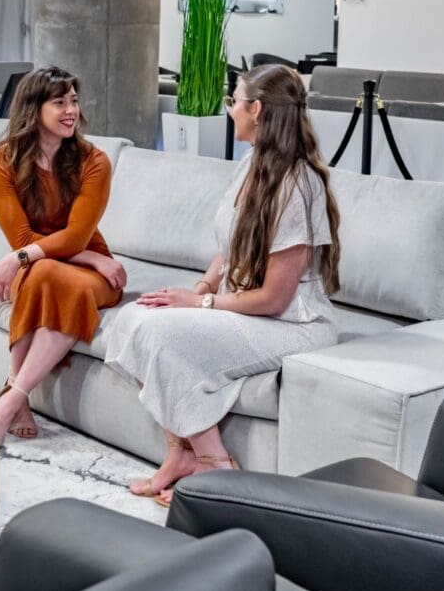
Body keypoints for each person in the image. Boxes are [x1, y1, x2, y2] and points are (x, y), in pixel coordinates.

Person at [104, 64, 341, 504]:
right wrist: (201, 286)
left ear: (257, 110)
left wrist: (204, 305)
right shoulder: (252, 163)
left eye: (235, 100)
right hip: (246, 306)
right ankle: (180, 453)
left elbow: (275, 298)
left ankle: (216, 463)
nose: (230, 109)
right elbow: (231, 244)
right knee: (137, 315)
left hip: (293, 324)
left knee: (160, 330)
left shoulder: (299, 185)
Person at [0, 66, 125, 445]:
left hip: (94, 275)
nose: (71, 111)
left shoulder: (94, 161)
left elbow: (78, 235)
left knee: (41, 272)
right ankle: (16, 401)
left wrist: (25, 257)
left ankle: (10, 400)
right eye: (59, 102)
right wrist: (88, 258)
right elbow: (24, 238)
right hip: (70, 263)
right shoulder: (1, 162)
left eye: (74, 101)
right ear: (33, 109)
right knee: (42, 272)